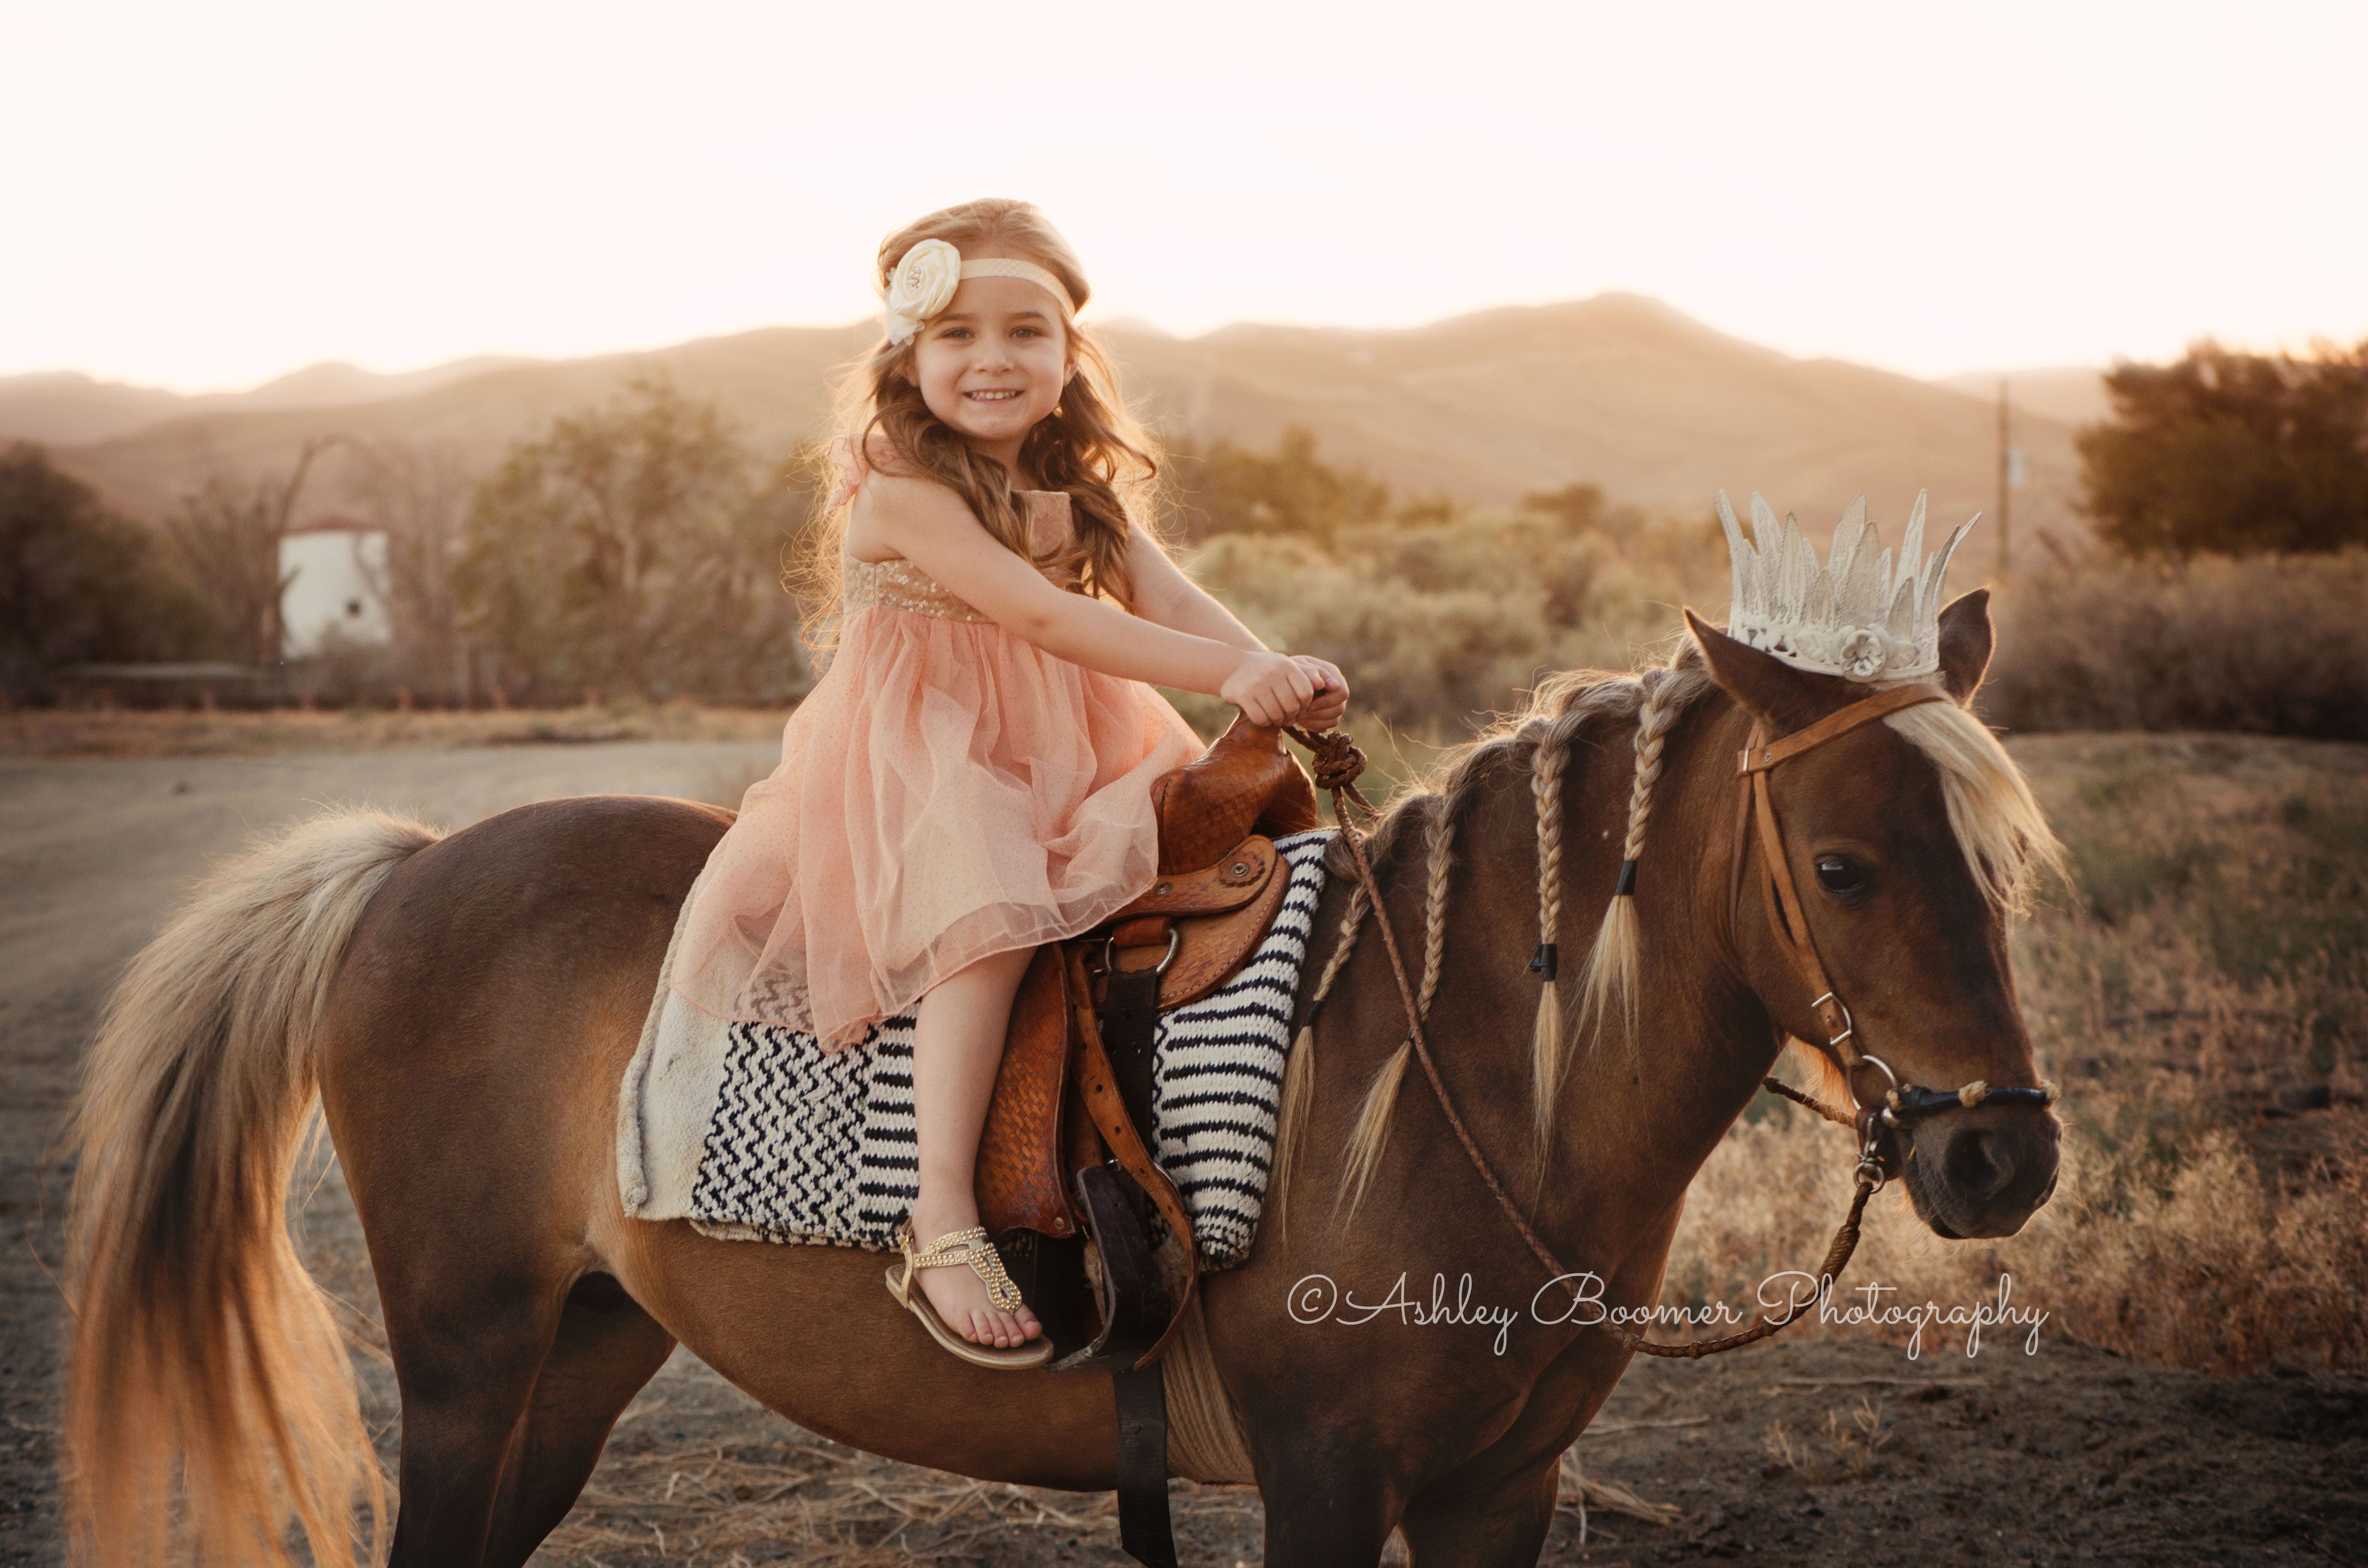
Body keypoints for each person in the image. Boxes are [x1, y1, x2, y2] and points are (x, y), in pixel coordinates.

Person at [669, 198, 1349, 1367]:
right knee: (984, 910)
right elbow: (1043, 615)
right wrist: (1235, 676)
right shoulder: (898, 487)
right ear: (907, 357)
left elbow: (1167, 600)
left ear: (1068, 354)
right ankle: (938, 1207)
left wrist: (1273, 674)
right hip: (926, 753)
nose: (993, 358)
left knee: (1219, 852)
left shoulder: (1074, 486)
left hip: (1069, 737)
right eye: (958, 335)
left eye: (1025, 332)